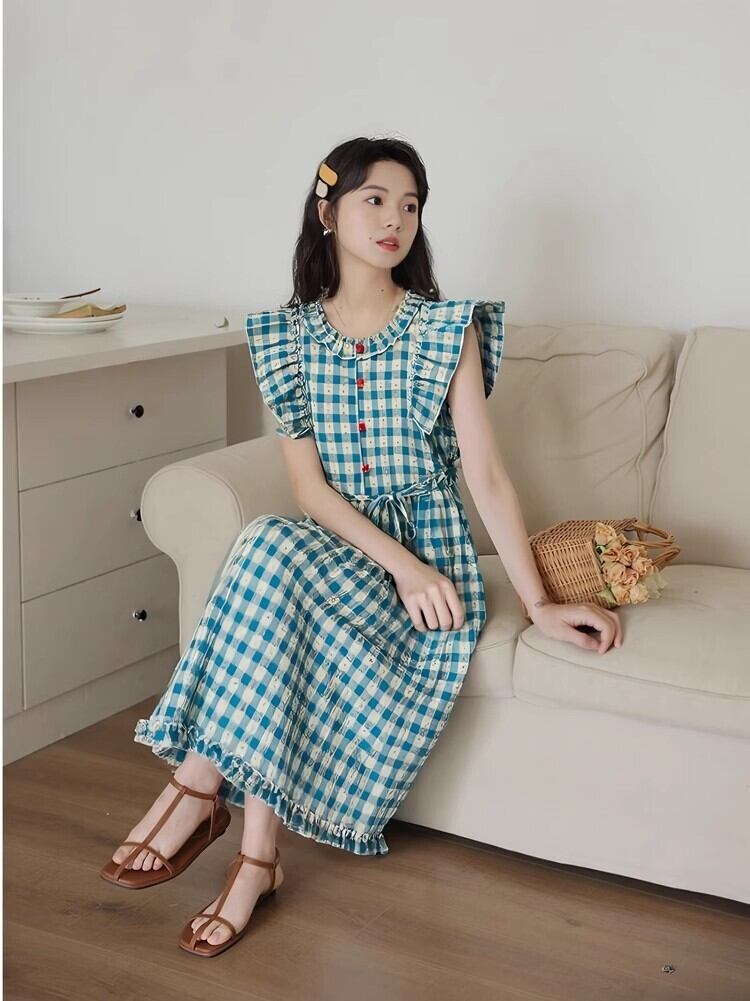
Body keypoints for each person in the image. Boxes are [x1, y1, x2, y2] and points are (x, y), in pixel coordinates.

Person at [100, 136, 623, 957]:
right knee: (272, 548)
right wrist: (393, 562)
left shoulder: (446, 328)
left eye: (410, 205)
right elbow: (310, 489)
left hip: (433, 573)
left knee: (269, 553)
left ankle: (203, 791)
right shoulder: (287, 337)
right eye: (375, 199)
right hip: (354, 558)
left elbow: (486, 476)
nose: (395, 220)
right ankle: (254, 858)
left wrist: (539, 603)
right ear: (328, 211)